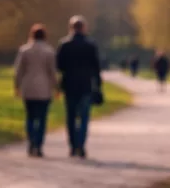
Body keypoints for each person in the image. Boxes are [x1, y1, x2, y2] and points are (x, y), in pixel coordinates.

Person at [56, 15, 102, 159]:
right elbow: (96, 67)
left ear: (71, 28)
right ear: (83, 28)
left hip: (69, 85)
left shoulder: (64, 44)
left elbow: (59, 65)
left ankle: (72, 145)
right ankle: (81, 145)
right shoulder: (90, 45)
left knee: (70, 117)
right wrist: (98, 84)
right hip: (85, 85)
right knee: (83, 117)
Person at [12, 23, 56, 157]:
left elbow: (18, 70)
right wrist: (56, 87)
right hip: (44, 89)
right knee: (42, 118)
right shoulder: (49, 51)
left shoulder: (24, 50)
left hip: (28, 88)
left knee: (30, 117)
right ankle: (39, 145)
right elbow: (52, 72)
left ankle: (31, 142)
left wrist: (17, 86)